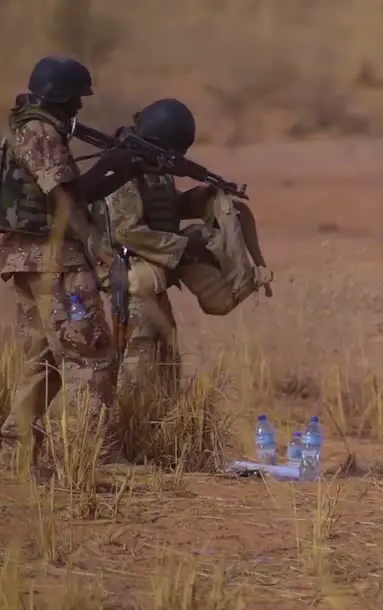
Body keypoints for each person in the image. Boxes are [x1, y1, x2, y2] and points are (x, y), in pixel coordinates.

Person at [0, 55, 148, 476]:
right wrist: (117, 168)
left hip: (27, 261)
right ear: (60, 95)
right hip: (54, 263)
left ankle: (15, 455)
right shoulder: (40, 131)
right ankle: (98, 456)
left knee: (45, 359)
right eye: (76, 98)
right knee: (89, 353)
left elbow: (77, 191)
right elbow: (66, 199)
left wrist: (119, 167)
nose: (78, 108)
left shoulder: (28, 126)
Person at [90, 98, 273, 402]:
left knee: (166, 357)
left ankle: (159, 426)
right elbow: (128, 232)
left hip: (151, 275)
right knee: (140, 356)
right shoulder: (122, 168)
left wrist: (204, 199)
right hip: (129, 277)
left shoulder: (150, 162)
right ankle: (126, 428)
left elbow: (165, 208)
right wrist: (187, 246)